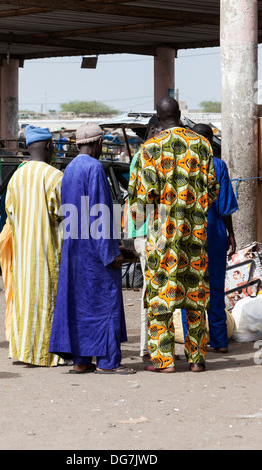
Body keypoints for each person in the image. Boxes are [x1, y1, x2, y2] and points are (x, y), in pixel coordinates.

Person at [128, 96, 220, 373]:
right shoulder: (202, 145)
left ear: (157, 118)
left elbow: (140, 200)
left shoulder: (150, 149)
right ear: (180, 114)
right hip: (195, 235)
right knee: (195, 297)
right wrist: (195, 211)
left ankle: (165, 361)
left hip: (162, 236)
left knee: (161, 298)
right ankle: (197, 360)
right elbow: (213, 189)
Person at [49, 122, 134, 375]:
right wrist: (112, 252)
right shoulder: (95, 168)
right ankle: (108, 362)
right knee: (106, 302)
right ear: (97, 143)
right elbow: (100, 214)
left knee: (79, 305)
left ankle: (81, 361)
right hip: (95, 252)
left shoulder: (69, 168)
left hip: (74, 248)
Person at [5, 125, 63, 367]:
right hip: (47, 252)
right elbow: (64, 215)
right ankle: (45, 353)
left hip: (22, 254)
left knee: (24, 302)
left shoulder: (16, 177)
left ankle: (22, 351)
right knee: (48, 302)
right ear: (49, 146)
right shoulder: (54, 177)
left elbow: (9, 214)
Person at [180, 123, 238, 353]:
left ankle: (193, 343)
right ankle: (219, 341)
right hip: (213, 233)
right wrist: (231, 234)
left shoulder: (181, 165)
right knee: (215, 288)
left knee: (190, 290)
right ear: (210, 141)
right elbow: (224, 207)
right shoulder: (218, 166)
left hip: (187, 235)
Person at [127, 114, 162, 362]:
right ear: (153, 129)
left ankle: (158, 344)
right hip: (148, 233)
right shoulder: (143, 157)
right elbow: (138, 202)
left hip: (156, 232)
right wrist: (141, 236)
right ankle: (147, 349)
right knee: (150, 291)